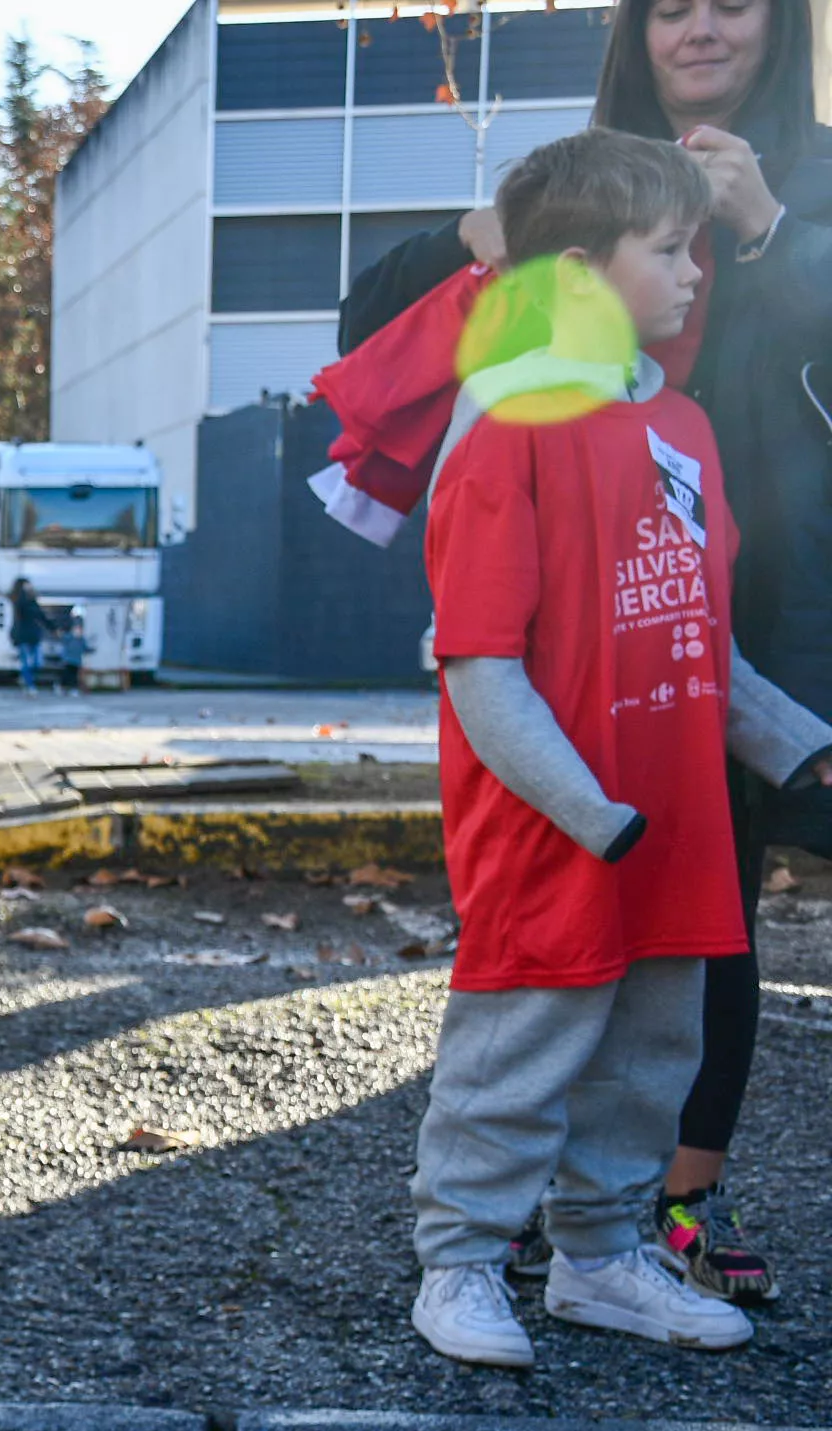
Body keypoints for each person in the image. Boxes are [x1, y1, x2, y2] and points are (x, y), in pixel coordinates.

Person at [343, 0, 830, 1304]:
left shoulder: (812, 178)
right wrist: (499, 233)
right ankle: (498, 1228)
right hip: (580, 645)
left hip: (759, 601)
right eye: (673, 6)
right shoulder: (573, 209)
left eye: (734, 3)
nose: (704, 29)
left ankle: (650, 1216)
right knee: (556, 957)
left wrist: (771, 229)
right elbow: (380, 320)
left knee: (695, 932)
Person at [9, 578, 49, 694]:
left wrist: (53, 628)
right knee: (26, 663)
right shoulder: (18, 601)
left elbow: (41, 616)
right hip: (22, 636)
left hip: (34, 636)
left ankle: (25, 678)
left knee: (37, 663)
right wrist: (23, 593)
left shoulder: (33, 602)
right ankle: (31, 686)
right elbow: (20, 606)